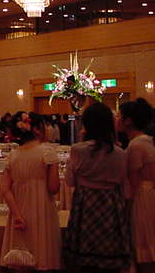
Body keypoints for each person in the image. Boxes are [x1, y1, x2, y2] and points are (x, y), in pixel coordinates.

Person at [63, 102, 131, 273]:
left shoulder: (78, 150)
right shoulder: (120, 153)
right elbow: (124, 185)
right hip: (111, 205)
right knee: (109, 257)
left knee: (84, 261)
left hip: (85, 206)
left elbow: (70, 181)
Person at [0, 113, 61, 271]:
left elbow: (5, 189)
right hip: (41, 207)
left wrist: (17, 215)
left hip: (19, 206)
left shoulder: (13, 155)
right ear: (37, 129)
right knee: (42, 253)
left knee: (20, 257)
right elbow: (53, 188)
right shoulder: (47, 152)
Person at [119, 98, 155, 271]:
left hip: (142, 199)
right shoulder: (146, 141)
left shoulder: (136, 145)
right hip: (148, 195)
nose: (117, 119)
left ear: (128, 121)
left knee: (143, 245)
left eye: (119, 116)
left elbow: (133, 185)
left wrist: (125, 209)